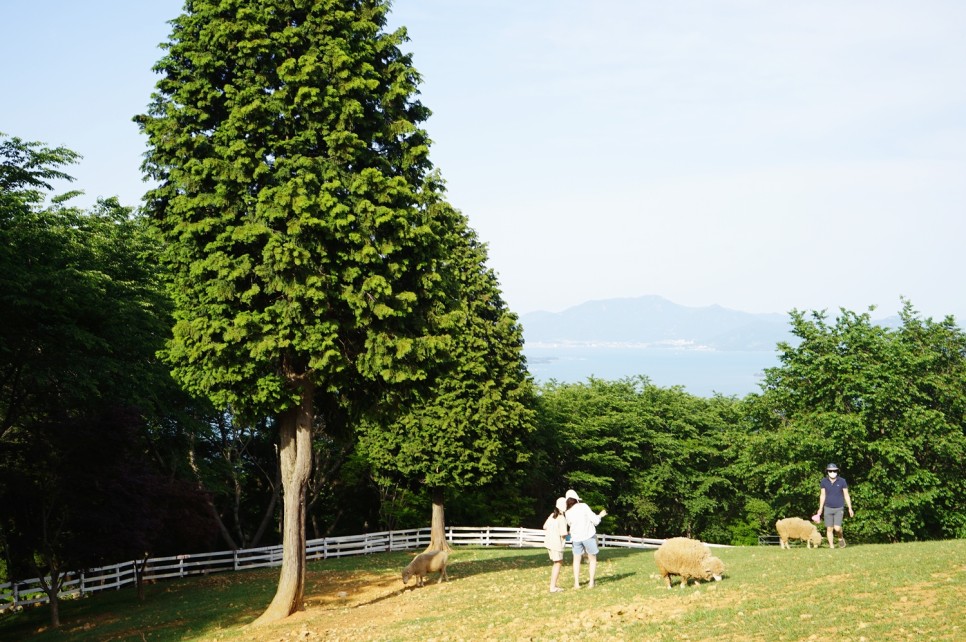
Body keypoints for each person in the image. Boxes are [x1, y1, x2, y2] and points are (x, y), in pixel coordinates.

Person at [564, 489, 607, 589]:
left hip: (576, 538)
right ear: (576, 499)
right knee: (592, 559)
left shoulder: (568, 512)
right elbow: (595, 520)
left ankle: (576, 584)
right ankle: (591, 582)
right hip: (588, 536)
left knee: (576, 560)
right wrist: (600, 515)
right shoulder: (583, 506)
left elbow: (570, 524)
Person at [816, 462, 854, 548]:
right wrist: (820, 508)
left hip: (839, 507)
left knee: (837, 528)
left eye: (834, 471)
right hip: (827, 507)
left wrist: (850, 508)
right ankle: (831, 546)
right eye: (830, 471)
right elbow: (822, 495)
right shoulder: (824, 481)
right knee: (829, 528)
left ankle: (840, 538)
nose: (832, 472)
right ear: (827, 472)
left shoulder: (842, 481)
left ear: (837, 471)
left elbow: (846, 495)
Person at [542, 497, 569, 593]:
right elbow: (563, 534)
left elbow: (544, 526)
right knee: (558, 564)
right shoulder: (562, 518)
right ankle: (553, 587)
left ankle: (553, 586)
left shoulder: (552, 515)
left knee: (556, 563)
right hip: (557, 544)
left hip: (549, 542)